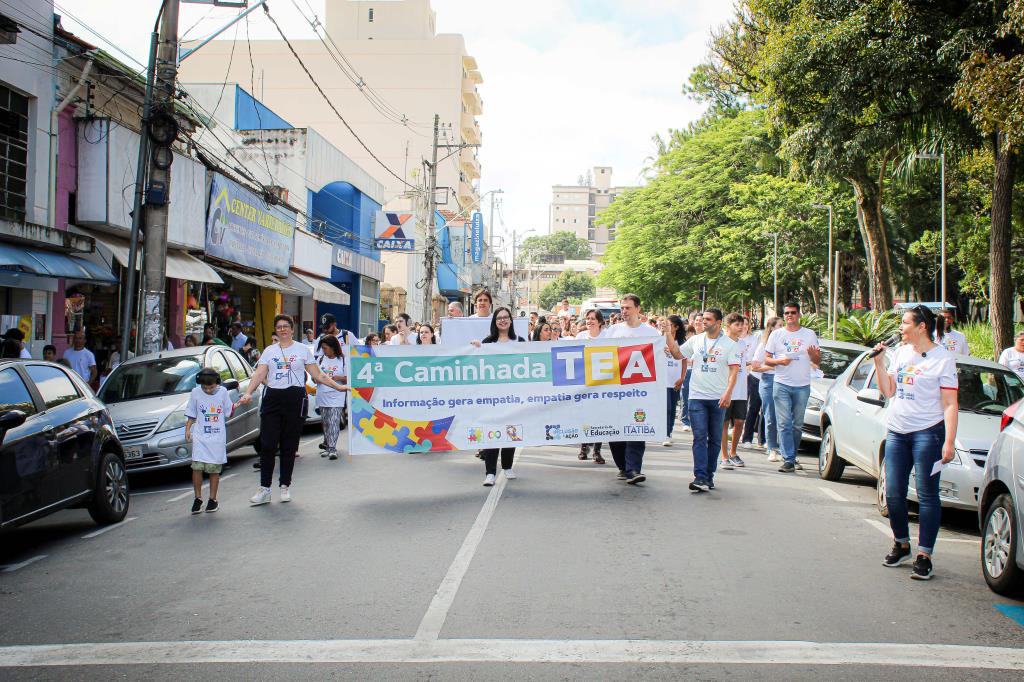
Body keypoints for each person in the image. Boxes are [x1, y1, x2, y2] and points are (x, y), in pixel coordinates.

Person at [872, 305, 958, 580]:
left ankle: (925, 554)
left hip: (928, 433)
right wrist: (879, 362)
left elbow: (950, 404)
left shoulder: (943, 359)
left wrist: (949, 442)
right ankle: (901, 542)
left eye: (905, 323)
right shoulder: (900, 353)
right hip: (897, 431)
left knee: (927, 494)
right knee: (894, 492)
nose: (900, 328)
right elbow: (889, 391)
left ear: (921, 326)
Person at [237, 315, 348, 506]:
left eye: (286, 326)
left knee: (289, 446)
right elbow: (259, 374)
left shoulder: (303, 350)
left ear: (291, 328)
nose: (282, 330)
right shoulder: (269, 351)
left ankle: (284, 486)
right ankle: (264, 489)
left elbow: (318, 374)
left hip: (295, 398)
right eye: (279, 327)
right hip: (273, 398)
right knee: (268, 445)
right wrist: (248, 392)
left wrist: (337, 387)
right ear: (276, 329)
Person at [606, 294, 681, 484]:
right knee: (616, 431)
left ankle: (633, 468)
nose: (624, 311)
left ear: (638, 309)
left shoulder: (649, 332)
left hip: (640, 390)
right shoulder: (613, 330)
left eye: (628, 308)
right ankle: (623, 466)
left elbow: (671, 351)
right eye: (622, 308)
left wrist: (667, 333)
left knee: (637, 428)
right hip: (616, 389)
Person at [680, 308, 741, 493]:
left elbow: (734, 371)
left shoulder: (730, 345)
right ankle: (699, 476)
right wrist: (668, 334)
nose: (703, 322)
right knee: (699, 437)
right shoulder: (696, 340)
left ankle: (709, 475)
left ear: (718, 322)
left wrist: (728, 393)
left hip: (717, 398)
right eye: (702, 319)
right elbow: (677, 354)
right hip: (697, 396)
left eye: (708, 319)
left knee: (714, 439)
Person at [473, 307, 526, 486]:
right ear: (494, 322)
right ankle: (490, 472)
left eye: (506, 317)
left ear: (511, 320)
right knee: (491, 432)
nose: (502, 320)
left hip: (513, 396)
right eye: (499, 318)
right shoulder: (487, 342)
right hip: (492, 397)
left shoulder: (520, 341)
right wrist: (476, 349)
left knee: (511, 430)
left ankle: (507, 466)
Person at [765, 302, 820, 473]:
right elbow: (766, 359)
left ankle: (791, 455)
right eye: (787, 313)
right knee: (784, 423)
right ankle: (788, 459)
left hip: (802, 385)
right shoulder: (776, 335)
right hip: (781, 383)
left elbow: (817, 361)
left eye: (793, 313)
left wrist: (813, 356)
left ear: (799, 315)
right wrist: (779, 361)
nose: (790, 315)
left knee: (797, 424)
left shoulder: (809, 334)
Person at [184, 368, 234, 514]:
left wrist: (235, 406)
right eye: (204, 387)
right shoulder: (195, 393)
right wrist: (188, 429)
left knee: (213, 469)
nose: (207, 390)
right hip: (200, 436)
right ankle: (198, 498)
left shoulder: (223, 392)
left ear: (216, 383)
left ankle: (212, 500)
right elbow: (192, 413)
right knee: (197, 467)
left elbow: (228, 412)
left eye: (211, 387)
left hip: (216, 437)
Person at [575, 309, 607, 463]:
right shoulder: (580, 336)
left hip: (602, 383)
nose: (590, 321)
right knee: (585, 417)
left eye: (593, 319)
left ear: (600, 322)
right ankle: (583, 445)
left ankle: (597, 450)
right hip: (584, 382)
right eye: (588, 318)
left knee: (599, 417)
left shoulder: (607, 337)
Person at [719, 313, 750, 470]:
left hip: (741, 389)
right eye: (737, 325)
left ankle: (733, 452)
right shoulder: (721, 343)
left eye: (742, 325)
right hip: (725, 389)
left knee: (739, 422)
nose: (741, 327)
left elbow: (746, 364)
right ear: (728, 326)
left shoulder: (743, 344)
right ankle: (724, 456)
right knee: (723, 423)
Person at [751, 317, 783, 461]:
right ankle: (772, 448)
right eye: (780, 325)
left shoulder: (786, 345)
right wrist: (773, 366)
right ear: (771, 328)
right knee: (771, 416)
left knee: (785, 418)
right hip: (768, 381)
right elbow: (755, 366)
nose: (783, 327)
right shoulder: (764, 345)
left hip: (784, 381)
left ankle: (785, 450)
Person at [315, 335, 348, 461]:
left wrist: (338, 378)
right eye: (322, 348)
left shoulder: (342, 360)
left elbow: (348, 377)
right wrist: (316, 379)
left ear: (333, 347)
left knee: (334, 421)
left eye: (325, 348)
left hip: (337, 396)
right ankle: (328, 447)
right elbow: (315, 376)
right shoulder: (320, 360)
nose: (324, 350)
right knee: (326, 423)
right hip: (322, 394)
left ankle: (333, 448)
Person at [661, 315, 686, 447]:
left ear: (676, 327)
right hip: (662, 380)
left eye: (669, 325)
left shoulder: (682, 343)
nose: (666, 327)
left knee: (671, 408)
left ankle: (669, 432)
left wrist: (682, 378)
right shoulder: (659, 340)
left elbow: (684, 361)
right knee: (667, 408)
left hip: (675, 380)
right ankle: (664, 433)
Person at [740, 317, 764, 450]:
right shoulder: (733, 339)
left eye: (746, 324)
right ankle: (738, 429)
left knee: (754, 407)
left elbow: (755, 359)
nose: (744, 326)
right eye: (741, 324)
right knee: (742, 404)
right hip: (737, 374)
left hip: (751, 374)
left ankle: (759, 438)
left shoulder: (754, 339)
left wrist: (749, 365)